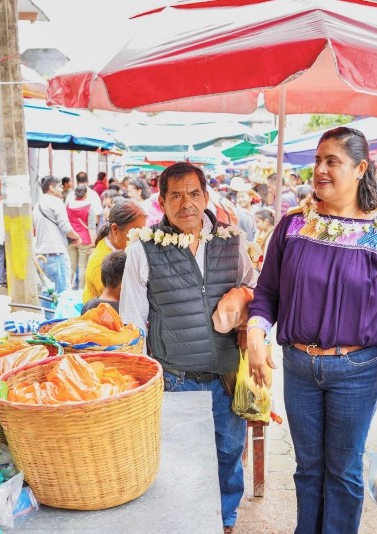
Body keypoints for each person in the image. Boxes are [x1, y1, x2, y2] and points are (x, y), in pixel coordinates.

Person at [246, 126, 377, 534]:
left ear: (360, 169)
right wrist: (256, 333)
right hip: (299, 367)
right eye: (318, 161)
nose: (320, 170)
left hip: (357, 370)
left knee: (342, 471)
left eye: (332, 162)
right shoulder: (292, 226)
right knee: (307, 469)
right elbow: (267, 291)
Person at [119, 162, 257, 534]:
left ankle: (226, 521)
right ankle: (186, 524)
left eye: (194, 193)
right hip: (175, 378)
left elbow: (255, 292)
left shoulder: (233, 241)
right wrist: (141, 382)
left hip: (226, 374)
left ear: (206, 196)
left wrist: (247, 311)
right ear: (161, 201)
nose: (186, 204)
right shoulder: (143, 249)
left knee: (229, 452)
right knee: (179, 460)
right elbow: (132, 323)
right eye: (175, 195)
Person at [83, 200, 147, 304]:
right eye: (136, 232)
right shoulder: (100, 263)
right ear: (115, 229)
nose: (141, 238)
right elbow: (118, 303)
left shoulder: (124, 248)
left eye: (142, 232)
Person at [34, 176, 79, 295]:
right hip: (56, 255)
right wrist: (77, 237)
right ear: (51, 188)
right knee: (63, 294)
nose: (62, 189)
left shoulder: (38, 204)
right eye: (59, 186)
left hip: (42, 255)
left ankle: (48, 315)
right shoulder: (56, 202)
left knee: (48, 293)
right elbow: (65, 227)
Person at [66, 185, 99, 290]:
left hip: (71, 239)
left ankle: (67, 290)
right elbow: (91, 227)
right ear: (85, 194)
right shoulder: (89, 207)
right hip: (85, 240)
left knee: (71, 266)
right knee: (82, 266)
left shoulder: (68, 205)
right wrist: (93, 243)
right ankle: (81, 291)